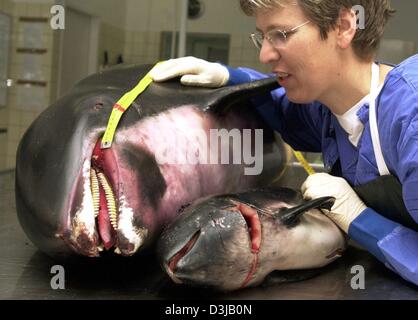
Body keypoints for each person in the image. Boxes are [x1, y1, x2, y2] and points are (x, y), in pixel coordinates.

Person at [149, 0, 418, 286]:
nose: (265, 54)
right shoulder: (327, 110)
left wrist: (360, 219)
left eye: (282, 34)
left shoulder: (410, 118)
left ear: (344, 27)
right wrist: (231, 78)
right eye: (262, 37)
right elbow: (281, 108)